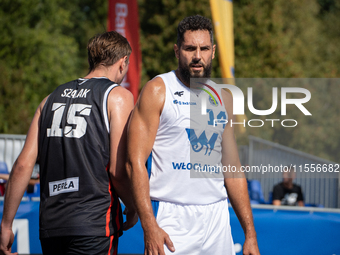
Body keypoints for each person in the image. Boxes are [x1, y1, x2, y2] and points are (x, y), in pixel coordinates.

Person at [126, 15, 260, 255]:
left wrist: (250, 234)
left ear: (213, 51)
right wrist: (149, 225)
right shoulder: (158, 90)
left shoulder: (222, 97)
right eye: (190, 48)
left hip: (217, 218)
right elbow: (134, 163)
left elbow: (233, 168)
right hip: (171, 217)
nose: (197, 55)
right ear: (177, 51)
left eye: (204, 48)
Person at [0, 31, 138, 255]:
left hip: (52, 227)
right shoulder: (118, 96)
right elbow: (117, 170)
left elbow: (22, 165)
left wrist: (6, 225)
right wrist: (133, 207)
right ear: (123, 63)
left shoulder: (49, 99)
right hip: (94, 223)